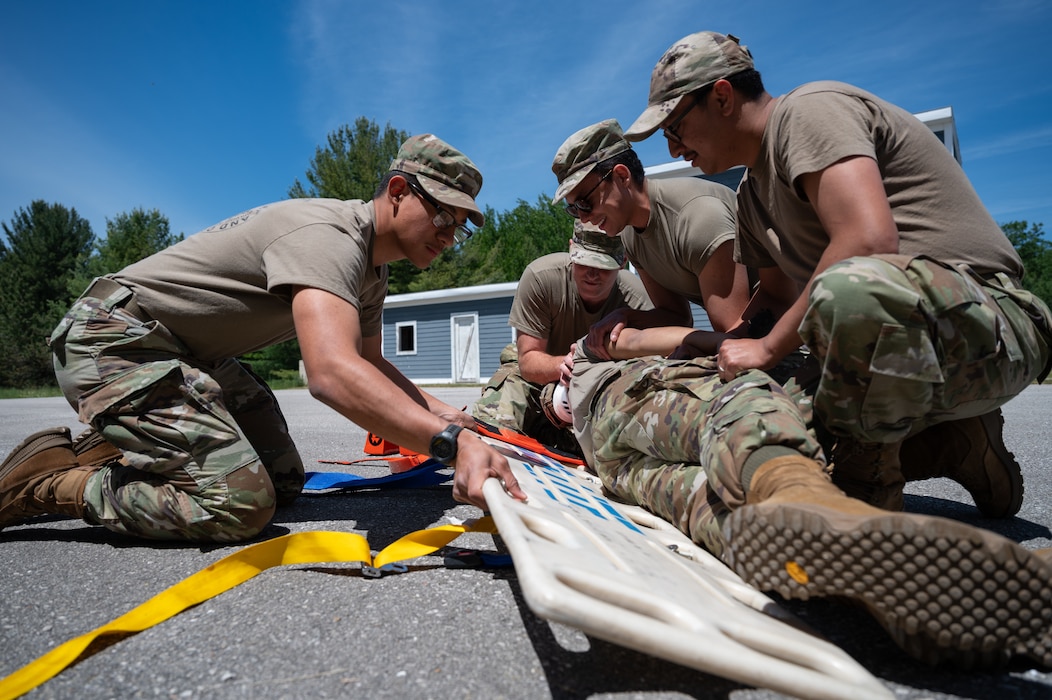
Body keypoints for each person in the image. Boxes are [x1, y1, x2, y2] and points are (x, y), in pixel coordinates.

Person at [0, 134, 526, 543]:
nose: (449, 235)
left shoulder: (372, 270)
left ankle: (134, 442)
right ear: (396, 192)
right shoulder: (331, 236)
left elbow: (370, 363)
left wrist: (447, 418)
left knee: (281, 482)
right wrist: (452, 445)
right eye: (441, 214)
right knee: (240, 505)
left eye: (461, 226)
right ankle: (52, 485)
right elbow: (332, 374)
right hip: (113, 340)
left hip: (182, 353)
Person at [622, 30, 1052, 517]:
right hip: (895, 345)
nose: (675, 151)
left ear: (721, 96)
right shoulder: (751, 196)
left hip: (996, 327)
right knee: (758, 424)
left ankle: (867, 503)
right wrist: (724, 346)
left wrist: (765, 349)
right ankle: (956, 445)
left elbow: (866, 244)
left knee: (846, 290)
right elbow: (773, 302)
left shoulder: (809, 112)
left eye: (674, 129)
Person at [565, 325, 1052, 669]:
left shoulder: (590, 351)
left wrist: (736, 345)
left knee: (731, 407)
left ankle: (802, 498)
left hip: (628, 396)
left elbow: (673, 340)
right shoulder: (538, 395)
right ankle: (881, 570)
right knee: (708, 511)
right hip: (615, 466)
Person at [550, 119, 759, 360]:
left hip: (789, 341)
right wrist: (627, 316)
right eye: (574, 209)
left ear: (621, 175)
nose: (584, 218)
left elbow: (735, 339)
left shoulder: (697, 218)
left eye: (585, 202)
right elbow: (676, 316)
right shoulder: (629, 232)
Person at [471, 221, 652, 455]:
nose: (593, 274)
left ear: (622, 262)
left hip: (600, 388)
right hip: (538, 378)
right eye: (585, 261)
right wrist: (566, 365)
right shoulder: (541, 278)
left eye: (604, 266)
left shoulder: (636, 299)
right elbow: (528, 361)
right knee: (493, 422)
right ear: (571, 249)